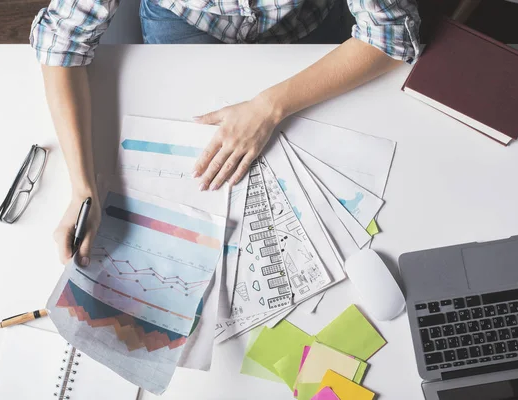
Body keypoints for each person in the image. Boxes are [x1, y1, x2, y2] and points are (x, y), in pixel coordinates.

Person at [29, 0, 421, 267]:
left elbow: (391, 37)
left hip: (307, 23)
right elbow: (61, 42)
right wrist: (83, 190)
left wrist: (269, 108)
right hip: (185, 25)